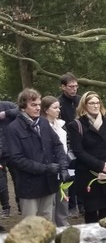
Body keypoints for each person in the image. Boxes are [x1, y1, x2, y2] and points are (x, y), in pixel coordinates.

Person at [7, 89, 69, 222]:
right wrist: (45, 168)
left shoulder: (43, 122)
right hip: (29, 187)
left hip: (48, 184)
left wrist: (63, 166)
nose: (38, 108)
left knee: (47, 223)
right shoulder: (14, 128)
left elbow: (57, 145)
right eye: (33, 105)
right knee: (30, 226)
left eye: (39, 104)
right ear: (23, 106)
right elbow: (16, 159)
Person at [67, 91, 106, 223]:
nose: (95, 106)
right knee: (91, 212)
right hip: (87, 173)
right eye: (91, 103)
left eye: (97, 102)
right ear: (84, 105)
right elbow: (78, 151)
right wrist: (100, 165)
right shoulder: (76, 125)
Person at [42, 96, 71, 226]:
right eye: (55, 108)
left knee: (64, 197)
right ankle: (51, 226)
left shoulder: (61, 125)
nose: (58, 110)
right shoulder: (41, 127)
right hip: (49, 167)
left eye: (59, 107)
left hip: (63, 165)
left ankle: (63, 223)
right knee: (50, 200)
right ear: (46, 110)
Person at [58, 72, 82, 217]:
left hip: (83, 142)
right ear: (63, 87)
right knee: (71, 176)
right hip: (68, 144)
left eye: (76, 86)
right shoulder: (58, 103)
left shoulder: (81, 100)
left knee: (84, 173)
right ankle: (72, 205)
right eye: (71, 86)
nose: (74, 89)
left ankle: (84, 204)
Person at [0, 101, 18, 218]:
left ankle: (21, 203)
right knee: (1, 184)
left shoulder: (7, 105)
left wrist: (6, 113)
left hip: (13, 150)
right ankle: (6, 207)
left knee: (18, 179)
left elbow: (21, 111)